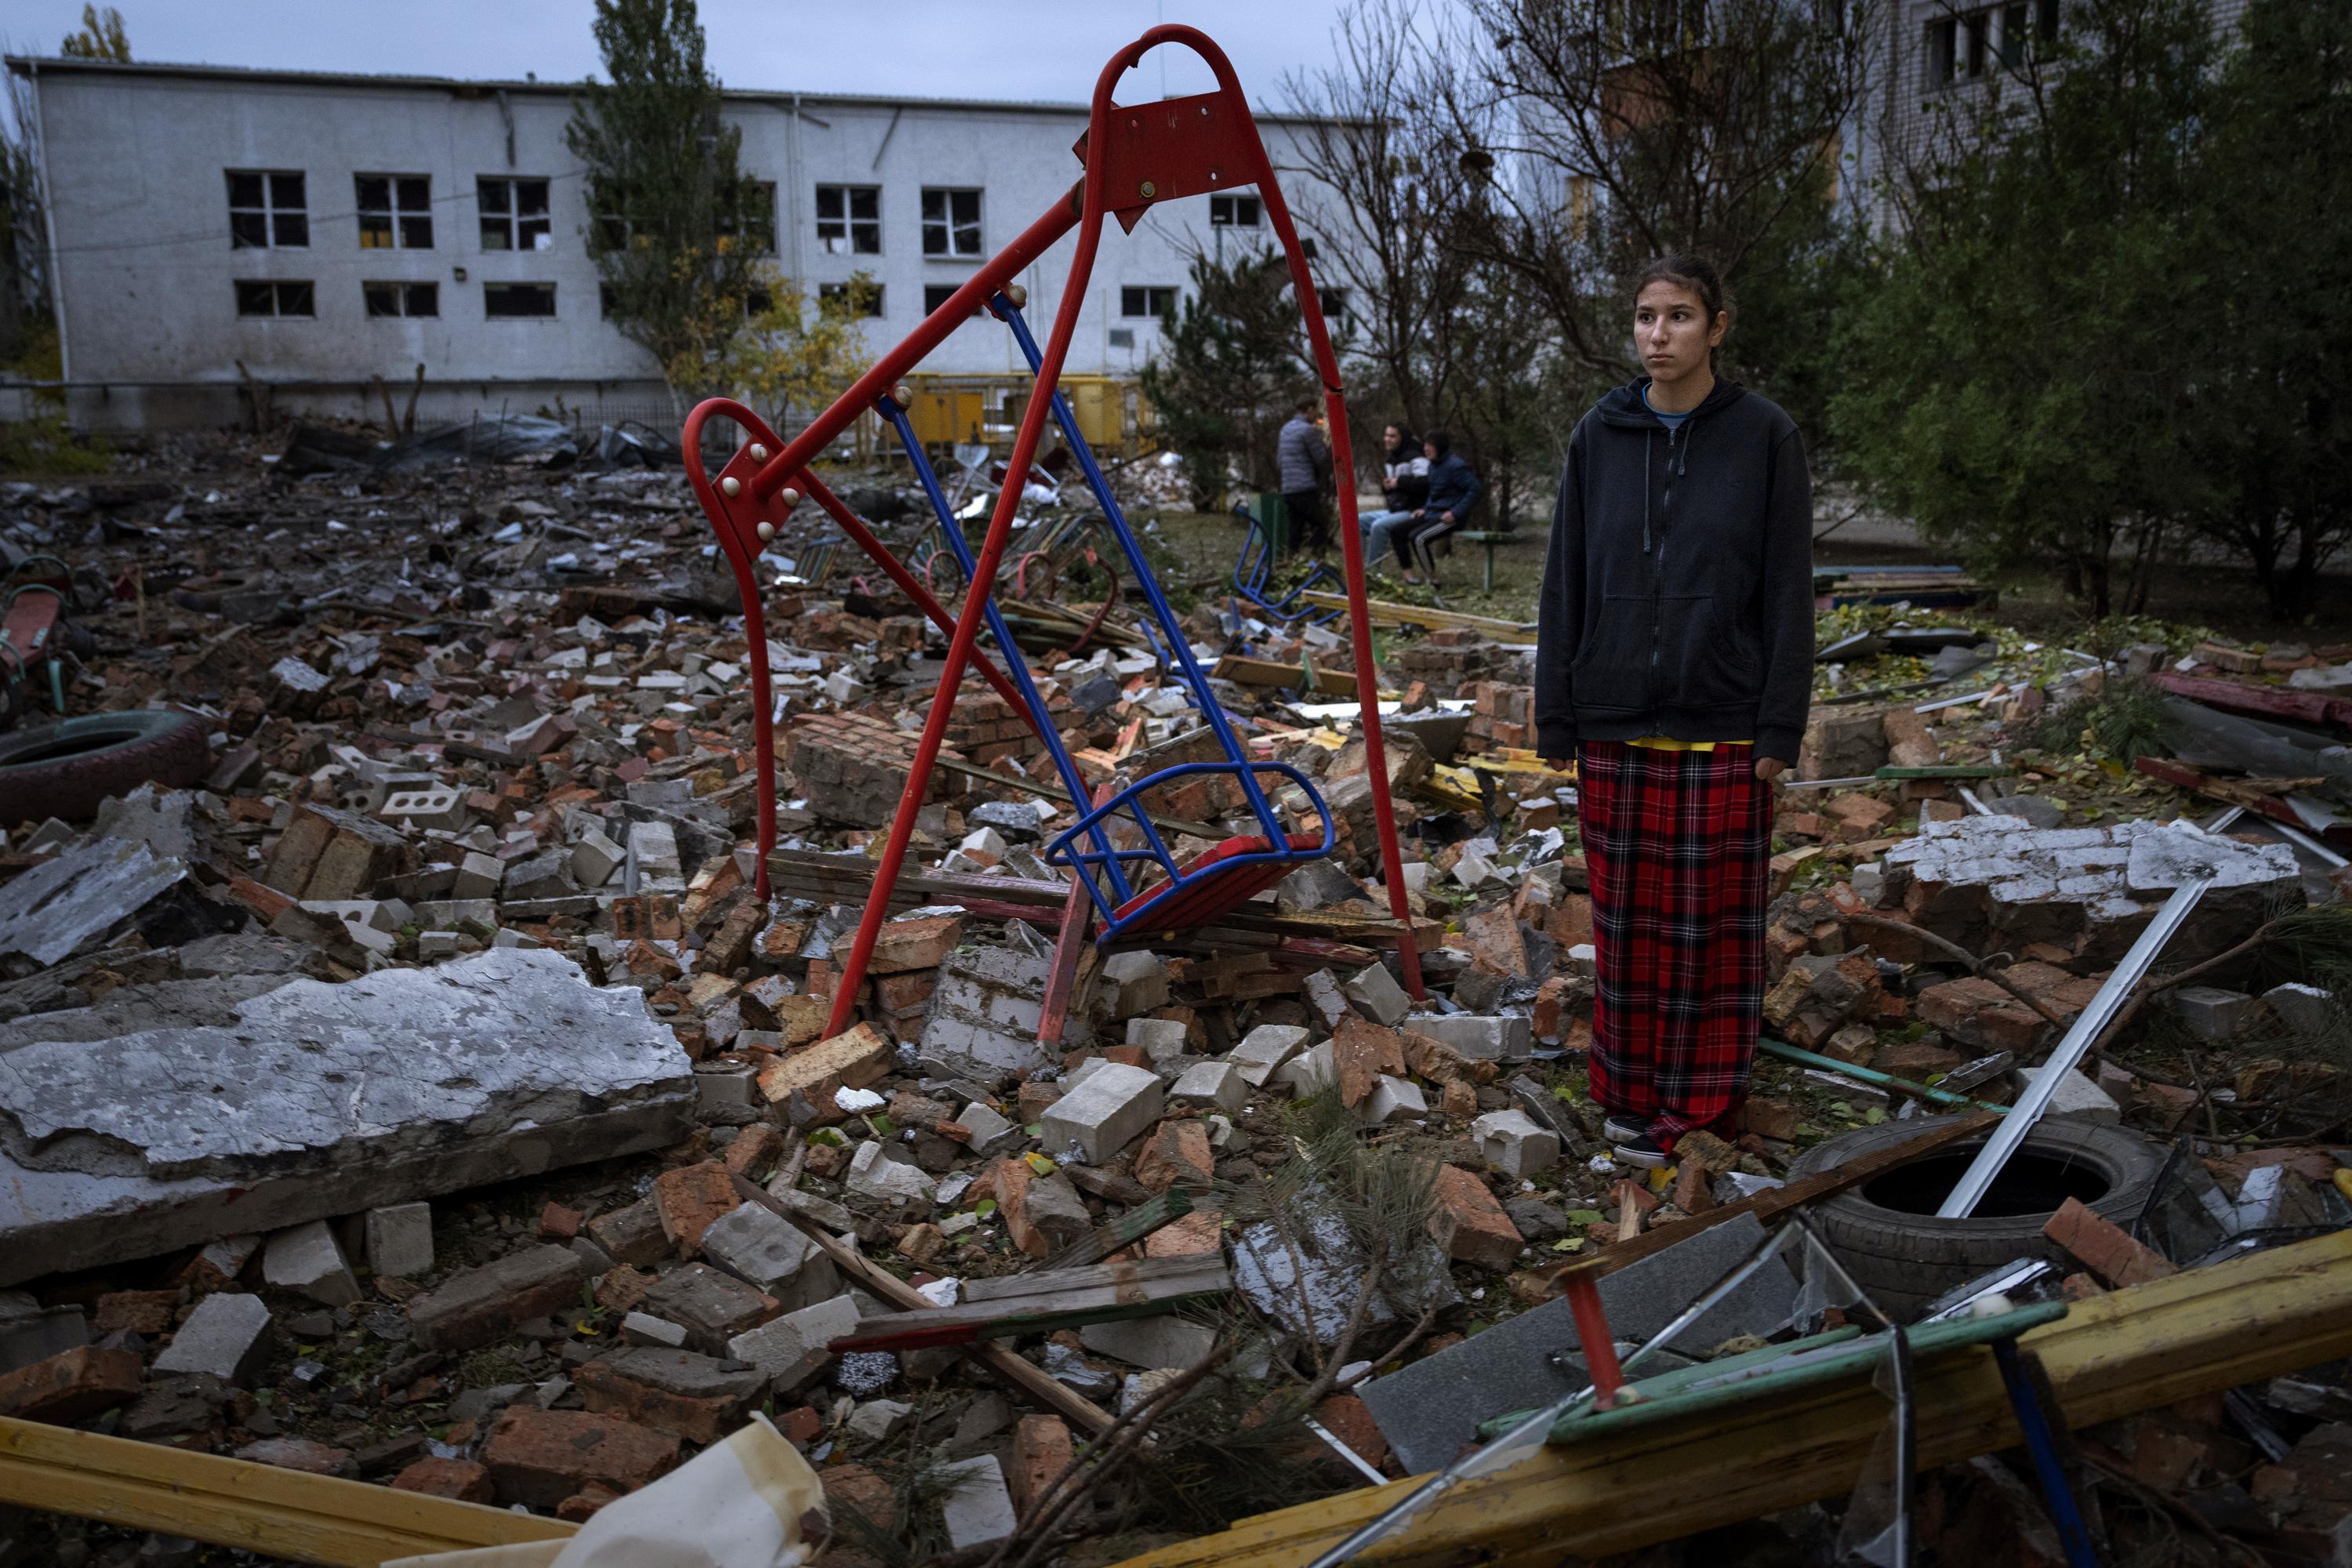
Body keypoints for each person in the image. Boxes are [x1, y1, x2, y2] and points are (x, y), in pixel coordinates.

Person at [1534, 253, 1813, 1169]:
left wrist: (1780, 725)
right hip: (1615, 719)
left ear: (1718, 327)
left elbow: (1787, 590)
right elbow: (1566, 577)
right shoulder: (1598, 436)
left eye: (1681, 316)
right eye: (1647, 316)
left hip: (1724, 723)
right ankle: (1628, 1092)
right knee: (1627, 929)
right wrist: (1557, 711)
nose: (1659, 334)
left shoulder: (1764, 437)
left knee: (1710, 936)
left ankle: (1700, 1107)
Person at [1389, 430, 1481, 583]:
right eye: (1425, 445)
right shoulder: (1433, 466)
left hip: (1450, 517)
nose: (1426, 449)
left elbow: (1475, 489)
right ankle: (1410, 577)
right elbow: (1435, 492)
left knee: (1418, 538)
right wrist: (1425, 508)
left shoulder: (1456, 466)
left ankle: (1433, 580)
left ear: (1440, 447)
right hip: (1432, 513)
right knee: (1397, 531)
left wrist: (1456, 512)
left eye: (1430, 446)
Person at [1359, 422, 1429, 568]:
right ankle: (1357, 568)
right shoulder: (1392, 458)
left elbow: (1425, 484)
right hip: (1396, 509)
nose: (1387, 439)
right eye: (1386, 435)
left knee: (1379, 526)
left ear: (1402, 438)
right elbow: (1396, 489)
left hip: (1415, 511)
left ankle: (1372, 572)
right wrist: (1387, 488)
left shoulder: (1416, 457)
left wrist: (1399, 483)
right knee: (1358, 521)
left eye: (1392, 436)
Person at [1275, 397, 1333, 556]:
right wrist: (1323, 439)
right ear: (1309, 409)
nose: (1317, 415)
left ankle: (1291, 561)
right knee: (1320, 525)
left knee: (1295, 527)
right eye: (1316, 411)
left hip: (1289, 487)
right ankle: (1317, 561)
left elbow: (1279, 461)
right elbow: (1321, 458)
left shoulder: (1285, 429)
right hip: (1305, 486)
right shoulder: (1308, 430)